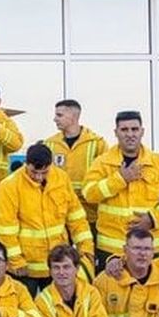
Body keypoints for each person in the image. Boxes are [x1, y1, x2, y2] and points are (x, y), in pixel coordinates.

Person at [81, 111, 159, 268]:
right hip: (112, 249)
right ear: (116, 133)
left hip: (151, 246)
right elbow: (89, 193)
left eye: (134, 129)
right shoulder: (103, 162)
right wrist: (120, 179)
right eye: (124, 130)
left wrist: (152, 219)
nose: (130, 134)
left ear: (142, 131)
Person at [0, 143, 92, 294]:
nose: (39, 177)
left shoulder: (61, 178)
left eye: (44, 172)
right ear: (26, 164)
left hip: (58, 264)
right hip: (25, 269)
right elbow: (5, 229)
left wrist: (85, 248)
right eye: (34, 172)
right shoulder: (9, 186)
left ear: (51, 165)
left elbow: (76, 218)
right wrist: (16, 261)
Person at [43, 99, 106, 231]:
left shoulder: (97, 143)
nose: (55, 119)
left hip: (89, 215)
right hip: (59, 215)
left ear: (73, 117)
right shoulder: (49, 144)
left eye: (59, 115)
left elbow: (105, 177)